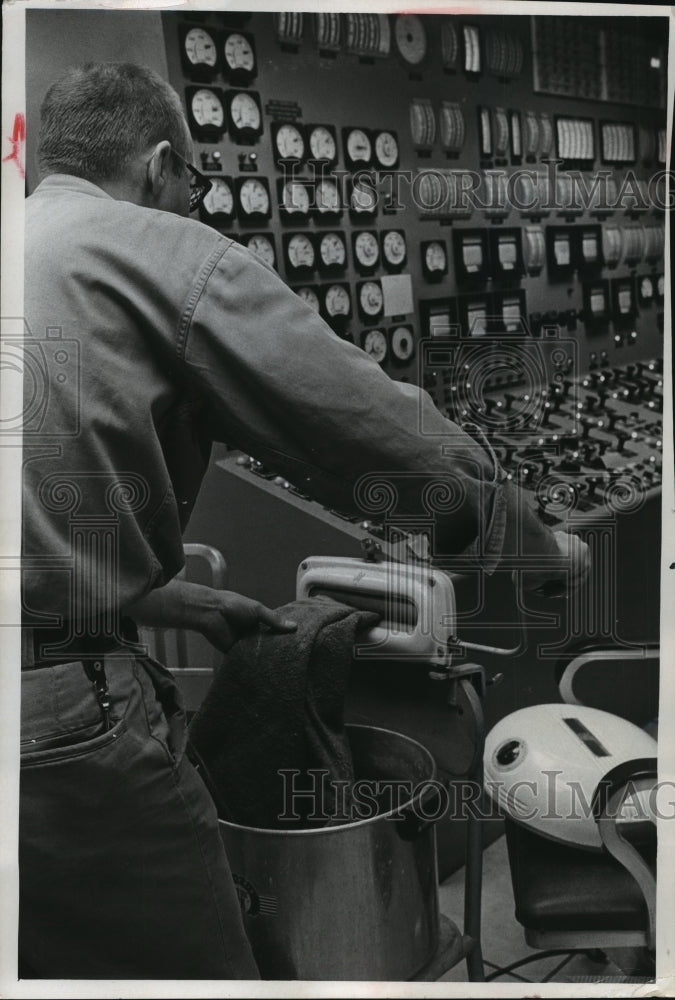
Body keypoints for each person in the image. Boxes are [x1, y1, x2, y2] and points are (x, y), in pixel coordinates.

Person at [20, 62, 590, 979]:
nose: (192, 201)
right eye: (196, 183)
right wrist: (527, 547)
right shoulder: (159, 249)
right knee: (193, 975)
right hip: (54, 723)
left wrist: (176, 605)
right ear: (165, 164)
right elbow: (386, 438)